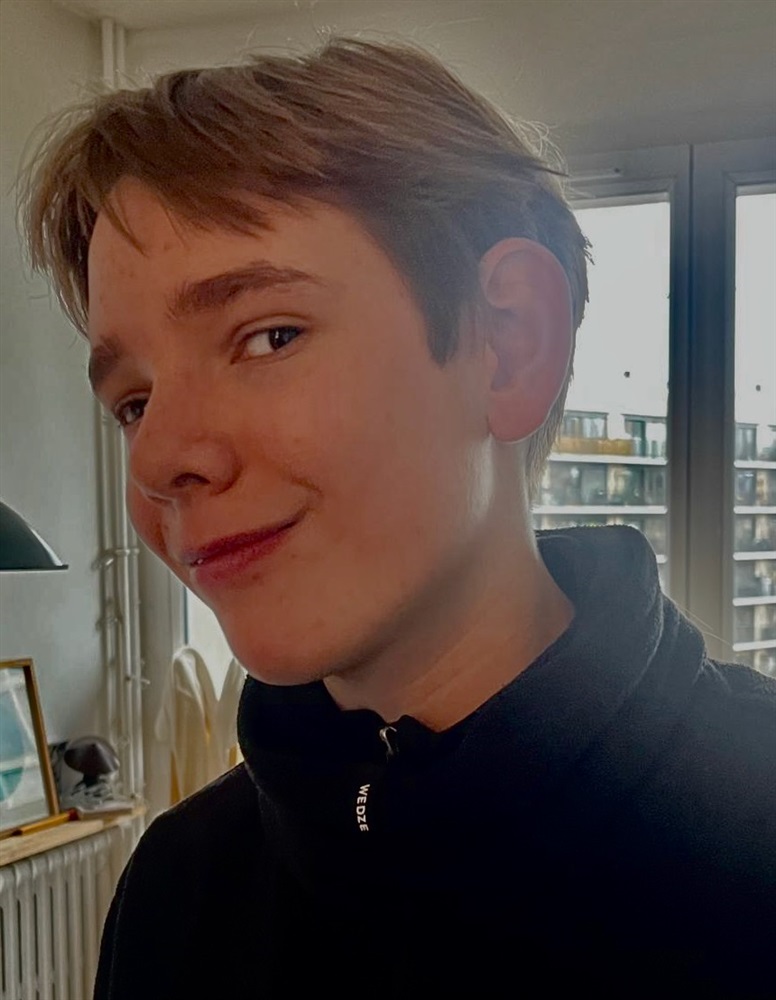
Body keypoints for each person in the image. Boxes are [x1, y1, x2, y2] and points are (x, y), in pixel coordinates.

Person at [21, 37, 774, 999]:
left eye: (268, 336)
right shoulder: (179, 888)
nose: (159, 458)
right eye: (134, 402)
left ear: (508, 345)